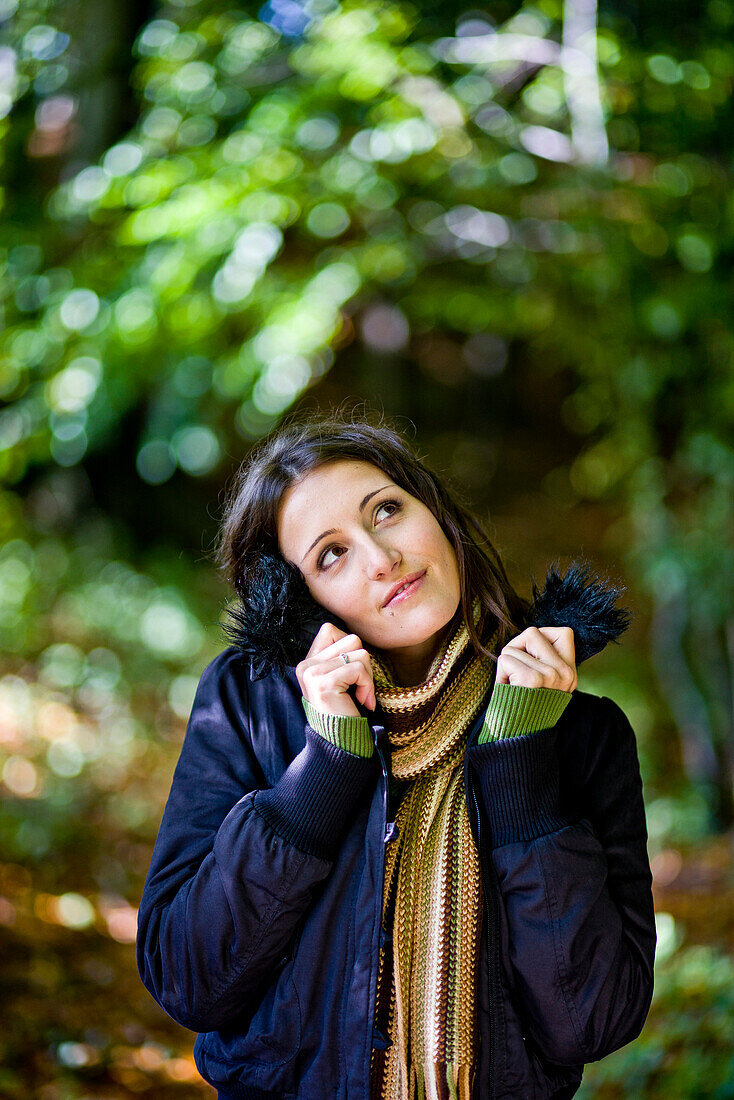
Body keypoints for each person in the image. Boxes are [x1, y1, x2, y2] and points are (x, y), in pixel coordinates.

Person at [136, 410, 656, 1100]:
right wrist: (322, 770)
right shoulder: (248, 704)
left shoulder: (583, 735)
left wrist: (521, 762)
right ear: (298, 600)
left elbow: (592, 1023)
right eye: (331, 553)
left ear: (434, 512)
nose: (382, 559)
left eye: (385, 511)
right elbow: (188, 980)